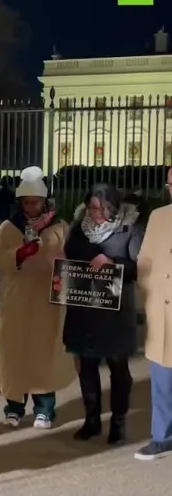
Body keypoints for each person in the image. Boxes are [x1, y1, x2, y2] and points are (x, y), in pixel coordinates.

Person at [0, 166, 76, 429]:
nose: (31, 207)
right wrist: (18, 254)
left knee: (44, 351)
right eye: (26, 203)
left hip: (46, 299)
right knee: (15, 352)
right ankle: (14, 406)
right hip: (16, 298)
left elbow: (71, 258)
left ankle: (45, 408)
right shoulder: (9, 227)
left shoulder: (60, 227)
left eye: (35, 202)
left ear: (44, 201)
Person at [63, 183, 143, 445]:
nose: (96, 213)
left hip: (115, 314)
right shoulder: (79, 229)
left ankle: (118, 423)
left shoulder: (129, 229)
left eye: (102, 208)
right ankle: (92, 420)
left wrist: (113, 263)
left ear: (114, 207)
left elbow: (138, 267)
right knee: (86, 366)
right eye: (92, 207)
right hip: (84, 309)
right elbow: (69, 256)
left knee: (118, 369)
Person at [134, 167, 172, 460]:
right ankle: (163, 437)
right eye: (171, 184)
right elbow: (144, 260)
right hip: (162, 312)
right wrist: (149, 294)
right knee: (161, 379)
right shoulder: (159, 216)